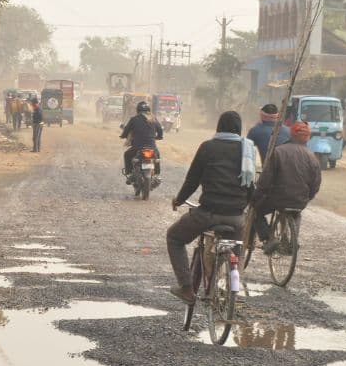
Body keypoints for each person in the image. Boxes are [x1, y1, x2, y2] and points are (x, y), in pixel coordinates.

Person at [167, 111, 258, 304]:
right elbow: (250, 185)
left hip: (207, 214)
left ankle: (186, 288)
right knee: (237, 250)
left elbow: (192, 180)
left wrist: (180, 199)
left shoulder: (208, 147)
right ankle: (233, 285)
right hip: (236, 217)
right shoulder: (247, 150)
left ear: (219, 126)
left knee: (174, 237)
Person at [251, 121, 321, 254]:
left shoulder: (278, 152)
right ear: (308, 137)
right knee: (296, 214)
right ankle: (293, 241)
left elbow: (265, 180)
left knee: (256, 211)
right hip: (299, 200)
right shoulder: (312, 157)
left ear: (291, 134)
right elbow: (315, 184)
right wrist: (307, 197)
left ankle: (268, 239)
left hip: (277, 199)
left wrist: (257, 196)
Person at [120, 101, 163, 180]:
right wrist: (159, 137)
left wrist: (123, 136)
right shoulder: (153, 119)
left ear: (138, 110)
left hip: (137, 147)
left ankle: (129, 174)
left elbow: (126, 131)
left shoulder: (134, 119)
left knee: (127, 154)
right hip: (152, 147)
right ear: (149, 110)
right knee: (157, 156)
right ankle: (157, 174)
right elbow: (160, 130)